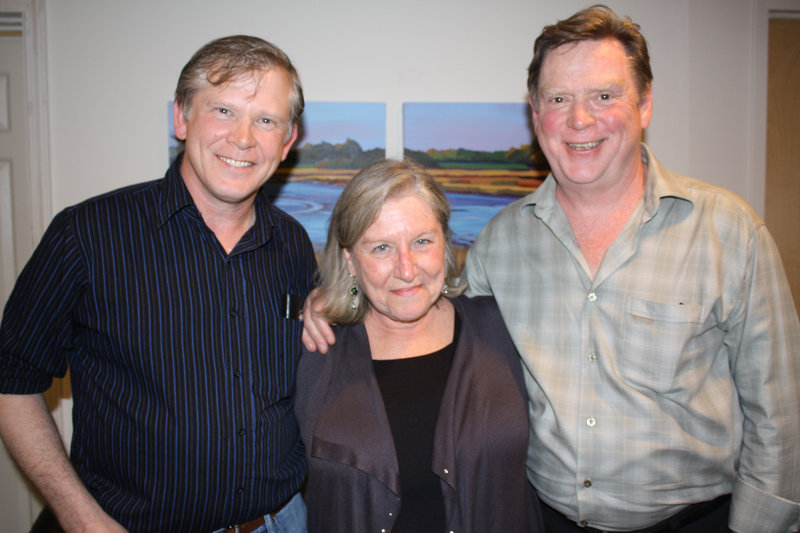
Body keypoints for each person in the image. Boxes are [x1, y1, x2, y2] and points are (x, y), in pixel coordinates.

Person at [302, 6, 800, 533]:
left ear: (646, 103)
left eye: (603, 96)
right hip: (544, 520)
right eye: (559, 99)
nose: (579, 120)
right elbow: (417, 300)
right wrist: (332, 298)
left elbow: (782, 415)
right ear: (537, 115)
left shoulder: (730, 233)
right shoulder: (501, 243)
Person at [0, 35, 315, 533]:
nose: (243, 138)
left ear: (287, 141)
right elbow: (9, 381)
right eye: (224, 111)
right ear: (181, 118)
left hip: (281, 523)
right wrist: (78, 515)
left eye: (266, 120)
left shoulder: (294, 245)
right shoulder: (86, 235)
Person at [294, 159, 542, 533]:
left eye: (422, 242)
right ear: (349, 261)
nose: (406, 269)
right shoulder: (314, 351)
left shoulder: (502, 327)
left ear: (445, 243)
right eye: (381, 248)